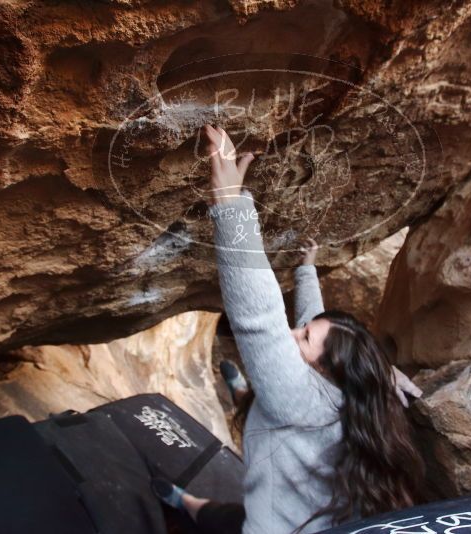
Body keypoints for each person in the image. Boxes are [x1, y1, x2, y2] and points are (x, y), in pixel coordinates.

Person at [151, 124, 426, 534]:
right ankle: (193, 490)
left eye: (304, 339)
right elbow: (311, 327)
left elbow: (261, 320)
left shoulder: (299, 401)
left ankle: (238, 407)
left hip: (272, 528)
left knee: (234, 519)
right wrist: (307, 271)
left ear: (324, 373)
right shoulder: (357, 398)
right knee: (220, 510)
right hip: (283, 495)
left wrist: (230, 206)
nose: (294, 333)